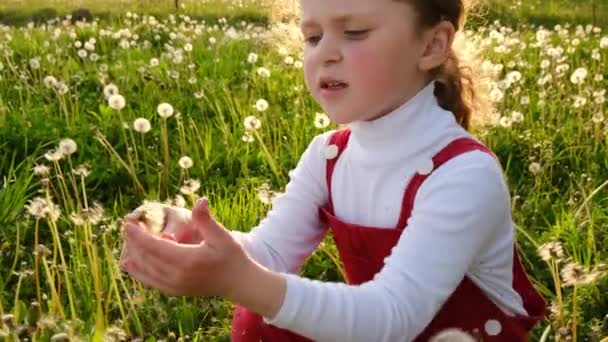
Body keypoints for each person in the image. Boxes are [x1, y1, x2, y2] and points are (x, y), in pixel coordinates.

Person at [120, 0, 548, 341]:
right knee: (264, 318)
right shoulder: (328, 156)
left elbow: (392, 316)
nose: (325, 52)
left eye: (356, 31)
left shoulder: (463, 174)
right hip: (375, 331)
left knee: (264, 298)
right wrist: (196, 239)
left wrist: (240, 280)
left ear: (432, 46)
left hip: (443, 334)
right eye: (312, 36)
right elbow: (269, 255)